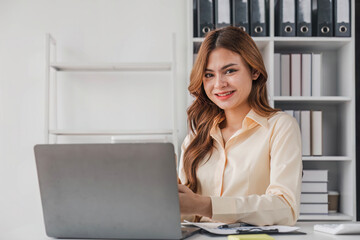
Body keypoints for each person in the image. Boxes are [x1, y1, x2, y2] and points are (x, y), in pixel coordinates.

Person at [177, 26, 302, 226]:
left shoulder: (280, 127)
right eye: (209, 75)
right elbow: (188, 215)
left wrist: (204, 205)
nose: (219, 84)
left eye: (230, 71)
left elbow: (285, 208)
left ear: (254, 71)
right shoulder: (196, 136)